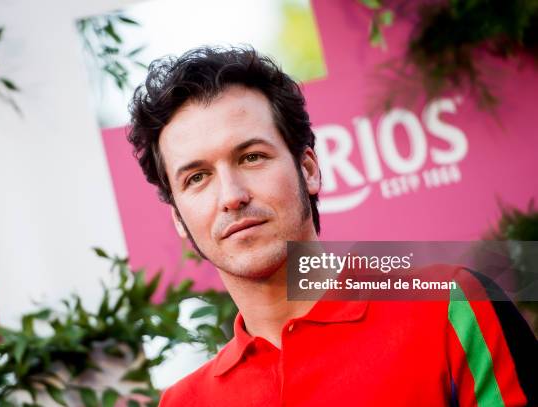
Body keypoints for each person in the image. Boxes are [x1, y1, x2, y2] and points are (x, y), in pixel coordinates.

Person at [127, 46, 536, 406]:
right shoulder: (184, 402)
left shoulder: (450, 305)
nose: (231, 195)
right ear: (179, 218)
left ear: (308, 170)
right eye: (196, 178)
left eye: (251, 157)